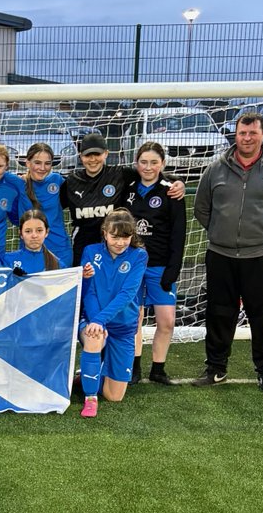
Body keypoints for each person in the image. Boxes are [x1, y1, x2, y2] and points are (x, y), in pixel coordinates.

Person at [193, 112, 263, 390]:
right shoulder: (215, 169)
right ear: (235, 134)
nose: (246, 138)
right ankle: (216, 369)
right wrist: (223, 234)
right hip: (221, 255)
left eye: (252, 133)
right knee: (219, 313)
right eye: (242, 133)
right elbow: (201, 209)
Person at [62, 133, 185, 265]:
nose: (93, 159)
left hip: (115, 247)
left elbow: (150, 173)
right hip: (83, 248)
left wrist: (179, 181)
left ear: (106, 154)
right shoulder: (71, 182)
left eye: (97, 154)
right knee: (86, 284)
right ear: (80, 156)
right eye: (87, 155)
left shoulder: (120, 175)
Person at [125, 141, 186, 385]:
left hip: (160, 265)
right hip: (132, 264)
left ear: (162, 164)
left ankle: (158, 369)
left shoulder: (171, 191)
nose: (148, 167)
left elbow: (179, 233)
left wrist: (173, 268)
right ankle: (135, 366)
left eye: (154, 162)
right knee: (135, 318)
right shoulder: (126, 187)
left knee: (166, 320)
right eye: (143, 162)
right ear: (136, 163)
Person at [78, 209, 148, 418]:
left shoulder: (139, 256)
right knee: (94, 337)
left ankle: (89, 375)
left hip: (124, 326)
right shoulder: (90, 251)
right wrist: (96, 321)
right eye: (115, 237)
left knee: (114, 396)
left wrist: (102, 320)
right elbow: (89, 292)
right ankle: (90, 398)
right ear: (105, 233)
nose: (120, 242)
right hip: (93, 319)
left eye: (125, 237)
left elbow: (127, 294)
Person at [2, 209, 61, 273]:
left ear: (47, 232)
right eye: (28, 231)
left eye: (39, 230)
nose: (34, 235)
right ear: (21, 234)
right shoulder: (7, 261)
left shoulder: (58, 264)